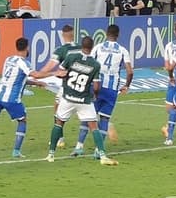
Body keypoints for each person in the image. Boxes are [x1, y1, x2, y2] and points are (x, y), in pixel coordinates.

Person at [34, 36, 118, 165]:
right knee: (94, 126)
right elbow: (96, 87)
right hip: (84, 100)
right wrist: (94, 95)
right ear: (92, 47)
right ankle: (102, 156)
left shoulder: (71, 58)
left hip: (68, 98)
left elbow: (60, 72)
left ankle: (51, 154)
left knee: (59, 123)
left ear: (81, 46)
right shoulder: (95, 64)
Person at [71, 25, 133, 157]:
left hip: (96, 86)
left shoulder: (98, 47)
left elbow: (89, 63)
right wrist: (126, 85)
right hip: (112, 89)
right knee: (105, 118)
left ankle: (79, 147)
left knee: (87, 116)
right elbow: (130, 71)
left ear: (106, 33)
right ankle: (98, 151)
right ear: (118, 35)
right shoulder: (122, 50)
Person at [32, 24, 80, 150]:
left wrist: (36, 76)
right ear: (73, 34)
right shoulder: (81, 48)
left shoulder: (61, 50)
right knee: (87, 111)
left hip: (68, 85)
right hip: (82, 85)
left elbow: (49, 67)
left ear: (63, 35)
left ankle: (60, 138)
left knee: (58, 109)